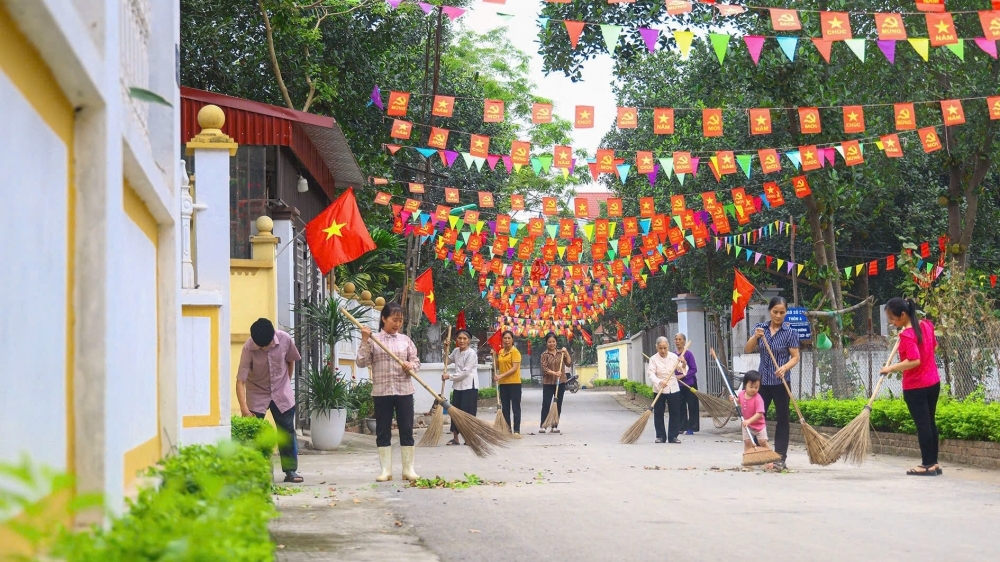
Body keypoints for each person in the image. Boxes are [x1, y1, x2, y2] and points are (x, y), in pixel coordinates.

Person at [357, 303, 422, 482]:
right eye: (394, 320)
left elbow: (416, 361)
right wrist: (364, 340)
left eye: (400, 320)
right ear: (384, 319)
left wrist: (411, 366)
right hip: (382, 392)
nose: (397, 324)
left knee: (406, 429)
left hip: (404, 390)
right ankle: (386, 471)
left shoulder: (405, 340)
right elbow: (361, 362)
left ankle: (408, 469)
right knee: (383, 431)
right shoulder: (373, 339)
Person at [880, 297, 942, 476]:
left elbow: (914, 360)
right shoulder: (926, 325)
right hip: (933, 382)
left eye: (893, 319)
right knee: (930, 423)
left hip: (916, 386)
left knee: (923, 425)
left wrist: (890, 368)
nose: (891, 323)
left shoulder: (907, 335)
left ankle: (926, 464)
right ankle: (934, 463)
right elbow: (933, 347)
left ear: (904, 314)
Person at [236, 318, 303, 483]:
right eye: (260, 346)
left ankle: (290, 471)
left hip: (282, 391)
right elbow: (240, 381)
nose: (263, 348)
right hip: (257, 392)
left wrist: (286, 382)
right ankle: (255, 472)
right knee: (254, 433)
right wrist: (244, 408)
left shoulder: (285, 339)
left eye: (265, 345)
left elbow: (291, 360)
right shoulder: (248, 348)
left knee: (286, 432)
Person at [744, 296, 800, 470]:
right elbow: (748, 349)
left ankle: (780, 458)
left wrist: (784, 368)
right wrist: (755, 336)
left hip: (781, 382)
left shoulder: (789, 332)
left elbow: (796, 357)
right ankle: (757, 454)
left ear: (786, 313)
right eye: (775, 312)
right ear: (770, 311)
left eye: (782, 312)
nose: (778, 315)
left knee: (782, 419)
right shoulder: (761, 329)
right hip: (762, 383)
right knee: (758, 417)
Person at [647, 336, 687, 444]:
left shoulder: (674, 357)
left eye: (665, 348)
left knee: (675, 412)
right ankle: (660, 436)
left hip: (673, 387)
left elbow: (682, 369)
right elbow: (651, 374)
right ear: (657, 347)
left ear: (668, 346)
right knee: (658, 413)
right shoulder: (653, 359)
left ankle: (673, 436)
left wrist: (683, 362)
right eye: (660, 348)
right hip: (659, 388)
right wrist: (659, 381)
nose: (663, 351)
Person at [441, 329, 479, 446]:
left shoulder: (471, 354)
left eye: (464, 338)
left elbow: (465, 372)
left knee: (468, 412)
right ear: (456, 340)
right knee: (455, 411)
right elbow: (446, 361)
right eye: (459, 338)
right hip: (458, 386)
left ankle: (469, 437)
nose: (462, 341)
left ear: (469, 341)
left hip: (469, 386)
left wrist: (449, 376)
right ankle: (455, 438)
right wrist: (445, 349)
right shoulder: (456, 351)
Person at [539, 332, 572, 434]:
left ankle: (554, 426)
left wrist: (566, 352)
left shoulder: (561, 353)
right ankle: (543, 426)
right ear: (546, 343)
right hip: (548, 383)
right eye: (549, 342)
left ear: (556, 342)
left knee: (558, 405)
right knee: (546, 404)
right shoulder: (544, 355)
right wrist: (554, 373)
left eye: (553, 341)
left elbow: (569, 363)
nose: (551, 343)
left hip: (560, 383)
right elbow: (544, 368)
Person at [495, 331, 523, 438]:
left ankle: (516, 430)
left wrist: (501, 376)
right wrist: (494, 356)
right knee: (505, 407)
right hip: (503, 384)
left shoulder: (515, 352)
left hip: (514, 383)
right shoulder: (501, 352)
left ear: (512, 340)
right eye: (505, 338)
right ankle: (507, 429)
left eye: (509, 338)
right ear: (502, 340)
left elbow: (514, 368)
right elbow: (498, 365)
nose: (506, 340)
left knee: (515, 407)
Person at [735, 370, 770, 452]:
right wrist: (734, 399)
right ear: (745, 385)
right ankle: (748, 461)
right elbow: (739, 401)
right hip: (747, 425)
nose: (753, 389)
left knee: (762, 442)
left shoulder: (758, 398)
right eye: (751, 387)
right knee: (747, 442)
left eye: (756, 387)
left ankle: (770, 459)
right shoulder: (741, 394)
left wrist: (749, 421)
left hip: (759, 426)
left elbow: (760, 413)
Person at [675, 333, 699, 435]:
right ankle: (682, 427)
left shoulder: (688, 354)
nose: (678, 341)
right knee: (680, 406)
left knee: (692, 405)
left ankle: (692, 427)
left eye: (680, 339)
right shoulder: (673, 355)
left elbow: (694, 369)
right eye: (676, 339)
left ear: (684, 341)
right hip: (678, 385)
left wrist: (682, 376)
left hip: (690, 384)